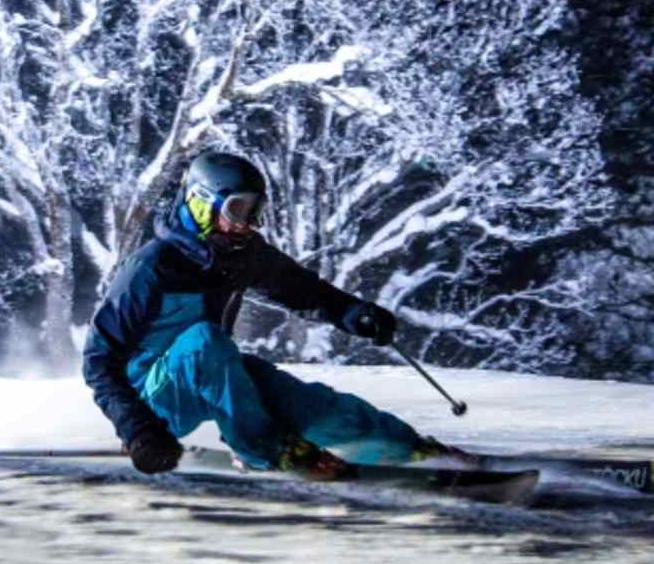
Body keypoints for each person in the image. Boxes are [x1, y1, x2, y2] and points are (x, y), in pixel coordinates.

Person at [82, 150, 457, 478]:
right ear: (201, 204)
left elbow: (299, 288)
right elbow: (99, 361)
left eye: (254, 211)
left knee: (297, 398)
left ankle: (407, 451)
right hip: (152, 404)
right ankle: (269, 450)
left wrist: (354, 312)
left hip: (214, 373)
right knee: (204, 343)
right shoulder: (151, 268)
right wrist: (138, 430)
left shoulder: (241, 255)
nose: (246, 223)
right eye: (237, 210)